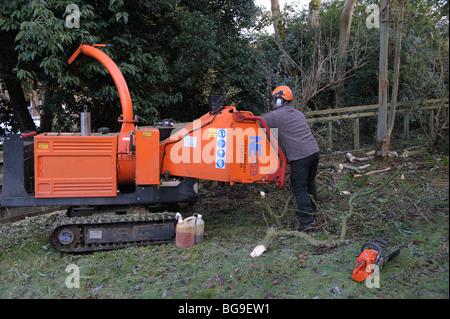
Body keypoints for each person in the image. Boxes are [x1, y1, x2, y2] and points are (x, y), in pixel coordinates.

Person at [262, 85, 320, 232]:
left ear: (279, 100)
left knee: (299, 188)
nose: (272, 103)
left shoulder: (275, 116)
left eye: (274, 100)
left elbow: (257, 123)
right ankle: (312, 211)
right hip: (314, 152)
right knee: (309, 182)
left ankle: (307, 223)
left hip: (300, 156)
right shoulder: (298, 113)